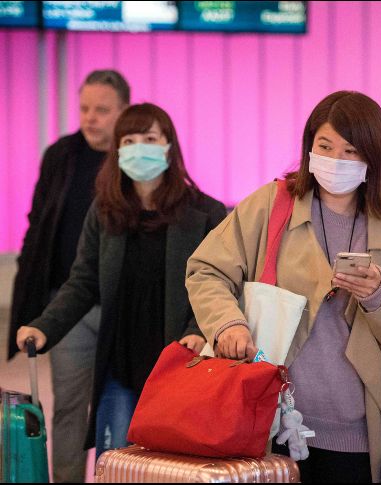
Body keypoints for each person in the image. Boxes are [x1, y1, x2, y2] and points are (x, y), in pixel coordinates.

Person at [186, 91, 381, 483]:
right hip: (268, 420)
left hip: (357, 431)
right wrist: (226, 324)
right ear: (309, 148)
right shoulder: (272, 206)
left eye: (351, 150)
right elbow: (206, 270)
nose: (336, 160)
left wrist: (379, 296)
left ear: (373, 158)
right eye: (325, 146)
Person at [15, 103, 227, 460]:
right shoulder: (104, 211)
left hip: (178, 360)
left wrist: (199, 330)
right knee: (116, 462)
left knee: (171, 463)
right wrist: (44, 326)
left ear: (168, 145)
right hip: (120, 361)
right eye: (129, 140)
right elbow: (82, 282)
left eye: (149, 138)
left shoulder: (206, 212)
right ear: (117, 151)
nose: (139, 147)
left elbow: (218, 285)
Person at [8, 69, 129, 483]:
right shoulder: (61, 155)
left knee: (124, 406)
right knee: (69, 410)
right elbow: (38, 225)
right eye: (84, 108)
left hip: (122, 308)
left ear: (123, 111)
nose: (90, 118)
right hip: (69, 303)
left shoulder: (133, 158)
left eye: (101, 110)